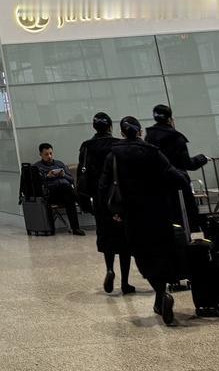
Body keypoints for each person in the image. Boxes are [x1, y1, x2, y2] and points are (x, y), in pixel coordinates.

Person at [98, 116, 188, 325]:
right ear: (139, 131)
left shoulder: (113, 155)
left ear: (122, 133)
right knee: (161, 253)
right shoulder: (153, 152)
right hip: (158, 213)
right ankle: (161, 296)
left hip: (132, 215)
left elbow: (103, 187)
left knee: (143, 256)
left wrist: (112, 211)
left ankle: (161, 294)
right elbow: (176, 178)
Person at [77, 113, 132, 293]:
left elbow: (81, 175)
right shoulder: (118, 145)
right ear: (110, 127)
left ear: (94, 127)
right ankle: (125, 283)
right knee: (123, 240)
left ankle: (109, 269)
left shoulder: (87, 146)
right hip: (118, 199)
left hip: (99, 200)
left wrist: (85, 201)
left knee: (106, 236)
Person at [145, 104, 207, 226]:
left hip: (157, 186)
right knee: (185, 219)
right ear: (170, 119)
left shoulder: (148, 138)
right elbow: (188, 164)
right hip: (178, 184)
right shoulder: (176, 137)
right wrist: (201, 158)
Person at [34, 143, 84, 235]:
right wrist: (47, 176)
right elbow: (37, 184)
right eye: (46, 154)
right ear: (40, 154)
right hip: (50, 194)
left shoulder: (59, 163)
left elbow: (71, 179)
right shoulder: (37, 167)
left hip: (65, 193)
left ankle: (76, 229)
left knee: (69, 196)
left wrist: (63, 175)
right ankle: (82, 202)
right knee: (68, 189)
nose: (49, 156)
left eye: (51, 153)